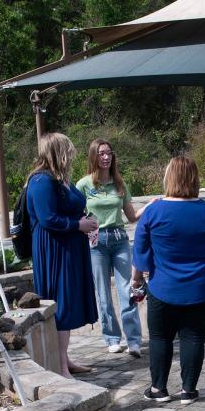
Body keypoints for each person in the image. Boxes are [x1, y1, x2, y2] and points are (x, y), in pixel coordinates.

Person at [132, 156, 205, 404]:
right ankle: (188, 390)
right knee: (194, 337)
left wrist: (136, 280)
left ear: (169, 178)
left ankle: (158, 389)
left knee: (160, 338)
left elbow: (140, 253)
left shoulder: (153, 211)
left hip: (163, 287)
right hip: (202, 288)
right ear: (195, 179)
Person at [28, 132, 98, 377]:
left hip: (70, 247)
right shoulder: (41, 181)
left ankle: (64, 359)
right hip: (55, 250)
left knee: (68, 302)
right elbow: (47, 219)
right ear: (57, 152)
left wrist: (86, 221)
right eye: (68, 150)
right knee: (62, 304)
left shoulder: (59, 180)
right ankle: (59, 367)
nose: (72, 154)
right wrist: (77, 225)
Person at [76, 138, 143, 358]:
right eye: (101, 153)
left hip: (119, 238)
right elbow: (75, 213)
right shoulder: (84, 185)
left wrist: (151, 207)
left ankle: (133, 340)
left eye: (109, 153)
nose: (106, 157)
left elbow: (131, 216)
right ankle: (112, 338)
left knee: (127, 290)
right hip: (96, 242)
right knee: (103, 292)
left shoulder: (119, 183)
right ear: (94, 156)